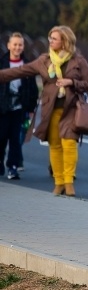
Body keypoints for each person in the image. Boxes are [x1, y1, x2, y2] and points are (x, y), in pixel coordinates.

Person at [0, 26, 88, 196]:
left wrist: (71, 82)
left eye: (54, 39)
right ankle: (58, 182)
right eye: (50, 38)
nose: (50, 41)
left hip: (72, 109)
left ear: (64, 41)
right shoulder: (44, 60)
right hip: (52, 109)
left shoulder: (79, 62)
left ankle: (69, 181)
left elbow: (87, 83)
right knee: (55, 146)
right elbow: (19, 71)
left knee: (69, 143)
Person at [0, 33, 38, 180]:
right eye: (14, 44)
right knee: (1, 137)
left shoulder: (28, 66)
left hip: (19, 108)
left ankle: (13, 166)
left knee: (16, 139)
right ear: (9, 46)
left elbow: (32, 89)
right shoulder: (2, 63)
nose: (17, 47)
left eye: (20, 45)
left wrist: (30, 109)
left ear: (23, 47)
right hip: (3, 108)